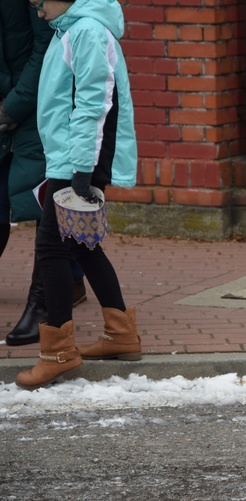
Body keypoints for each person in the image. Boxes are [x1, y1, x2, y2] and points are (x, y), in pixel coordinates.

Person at [16, 0, 140, 391]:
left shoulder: (86, 31)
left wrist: (81, 169)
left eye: (39, 2)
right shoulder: (70, 29)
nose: (36, 11)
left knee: (51, 248)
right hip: (72, 157)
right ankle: (121, 334)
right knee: (81, 243)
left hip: (77, 160)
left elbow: (94, 102)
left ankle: (57, 352)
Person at [1, 0, 87, 348]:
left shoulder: (85, 31)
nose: (39, 9)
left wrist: (13, 105)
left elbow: (47, 44)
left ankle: (48, 308)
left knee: (50, 215)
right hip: (19, 104)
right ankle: (69, 288)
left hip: (41, 110)